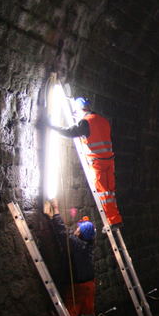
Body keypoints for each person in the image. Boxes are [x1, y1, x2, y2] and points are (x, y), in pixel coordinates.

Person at [49, 97, 122, 227]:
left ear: (79, 109)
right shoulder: (104, 121)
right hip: (109, 161)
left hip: (97, 162)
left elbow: (71, 132)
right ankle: (116, 219)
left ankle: (112, 222)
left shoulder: (86, 122)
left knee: (103, 192)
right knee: (110, 192)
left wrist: (52, 127)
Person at [43, 198, 100, 316]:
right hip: (90, 285)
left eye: (78, 229)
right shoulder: (88, 246)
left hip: (78, 288)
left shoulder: (77, 245)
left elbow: (62, 233)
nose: (76, 229)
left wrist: (56, 211)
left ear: (80, 233)